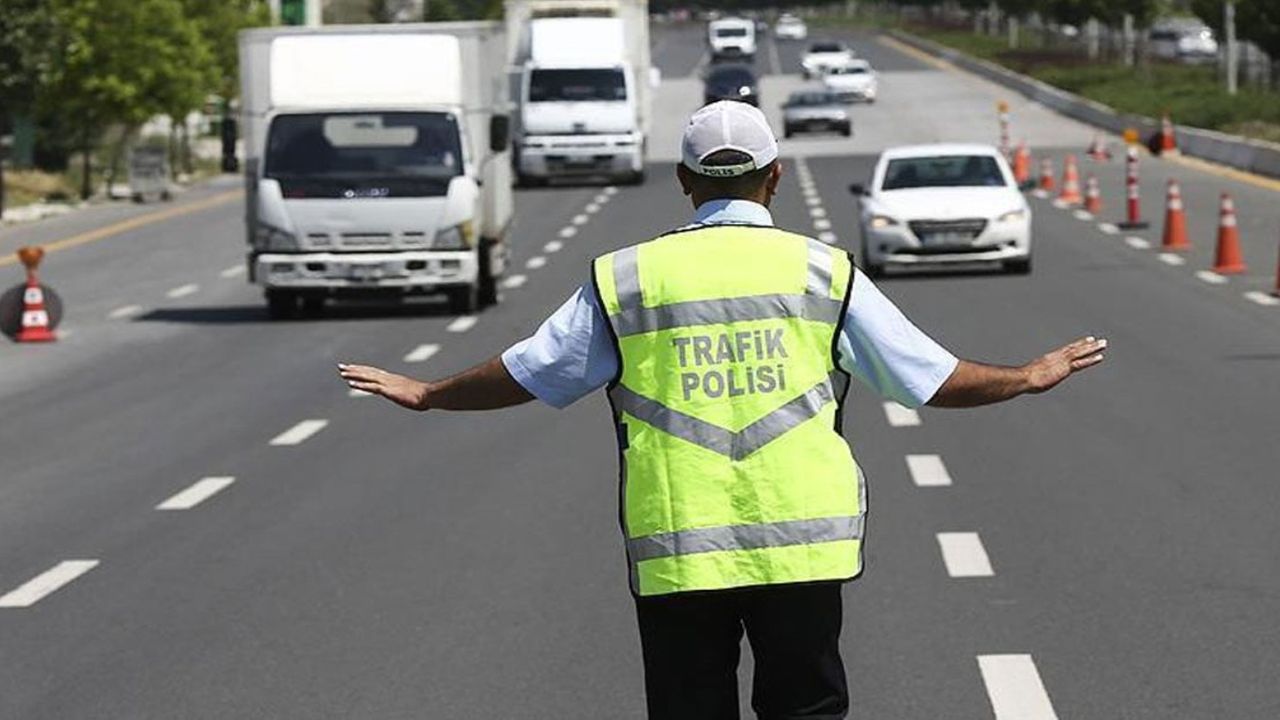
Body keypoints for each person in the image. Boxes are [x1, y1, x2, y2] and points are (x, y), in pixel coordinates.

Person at [337, 101, 1107, 720]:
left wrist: (429, 394)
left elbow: (533, 372)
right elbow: (929, 379)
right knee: (805, 709)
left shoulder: (629, 277)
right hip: (802, 548)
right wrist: (1028, 375)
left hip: (680, 549)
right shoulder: (821, 271)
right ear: (774, 178)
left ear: (684, 180)